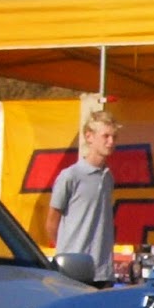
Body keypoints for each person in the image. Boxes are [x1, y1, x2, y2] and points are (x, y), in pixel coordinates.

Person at [46, 108, 120, 286]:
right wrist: (67, 253)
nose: (111, 142)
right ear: (89, 137)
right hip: (73, 273)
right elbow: (51, 222)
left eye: (114, 137)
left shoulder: (108, 177)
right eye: (106, 136)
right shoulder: (71, 176)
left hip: (102, 272)